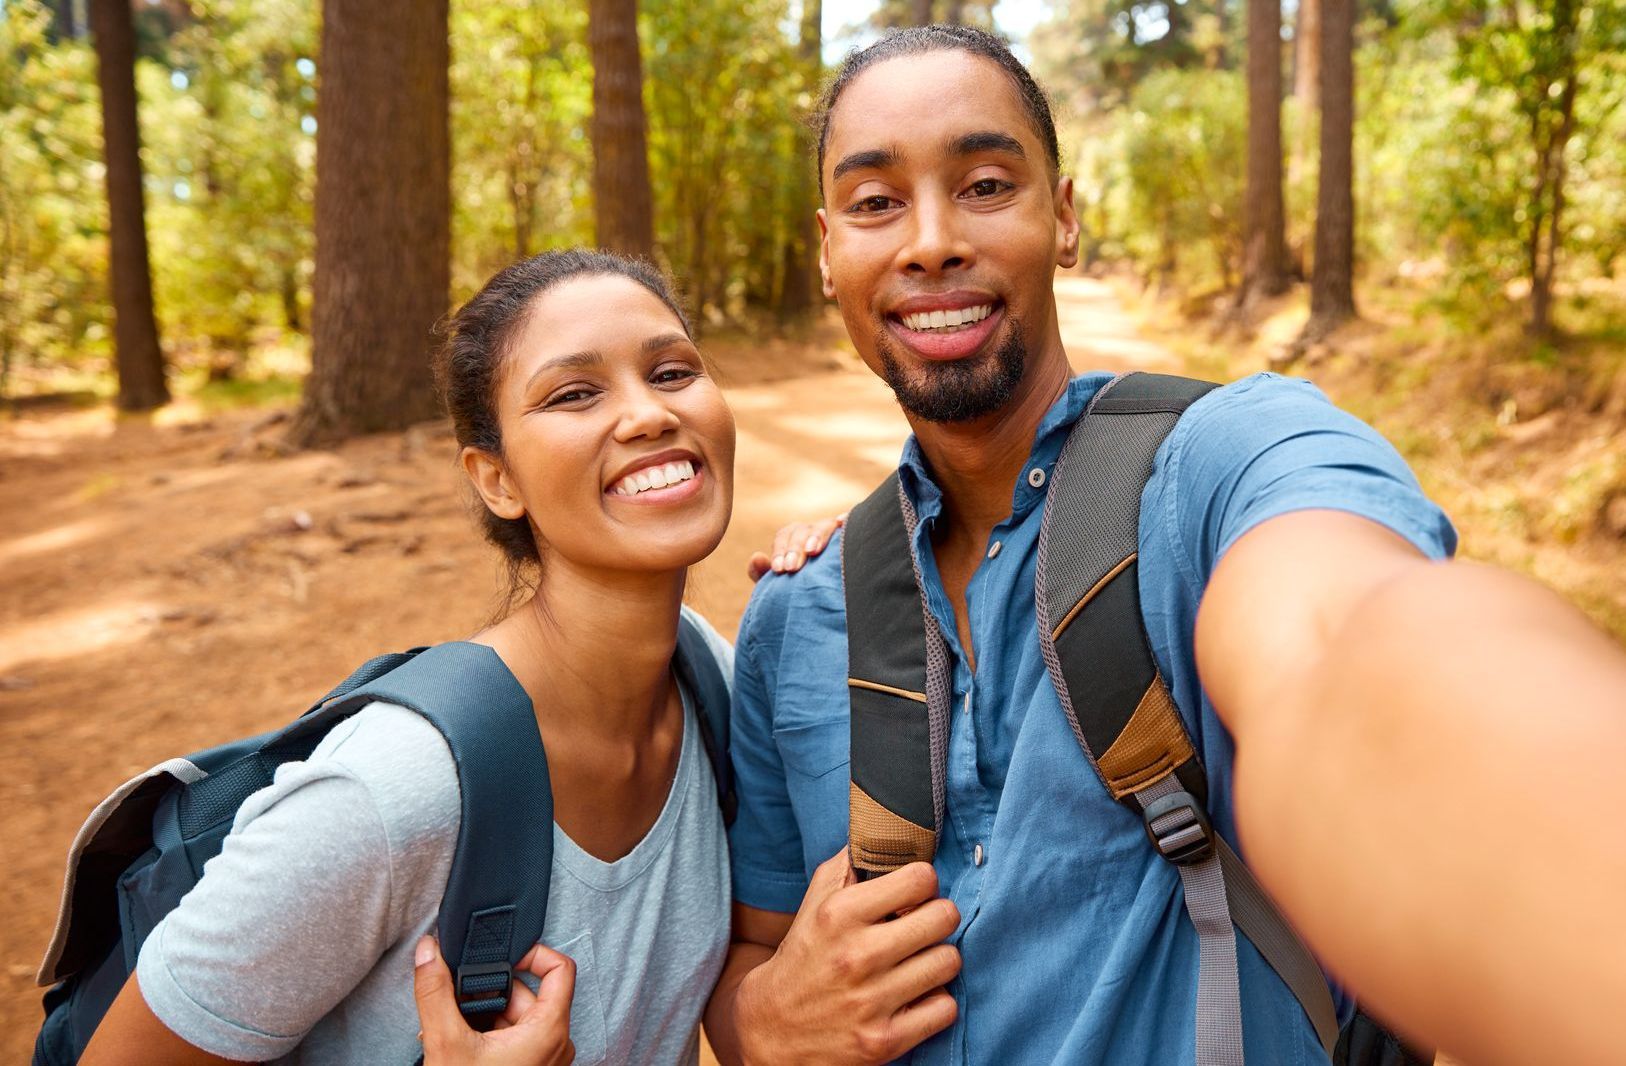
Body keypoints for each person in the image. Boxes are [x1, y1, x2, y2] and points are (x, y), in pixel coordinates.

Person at [701, 25, 1626, 1066]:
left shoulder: (1221, 471)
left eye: (986, 184)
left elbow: (1343, 641)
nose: (928, 241)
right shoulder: (795, 612)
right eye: (876, 203)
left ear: (1064, 217)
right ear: (829, 252)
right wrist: (758, 1022)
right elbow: (754, 957)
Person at [79, 249, 832, 1066]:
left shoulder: (714, 680)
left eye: (674, 371)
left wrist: (841, 574)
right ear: (496, 479)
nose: (648, 413)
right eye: (575, 393)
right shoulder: (392, 793)